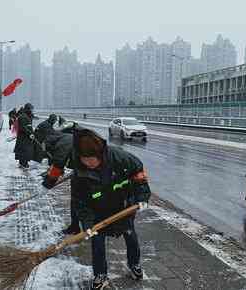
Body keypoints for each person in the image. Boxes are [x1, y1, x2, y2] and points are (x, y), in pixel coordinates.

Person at [42, 127, 151, 289]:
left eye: (92, 160)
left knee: (130, 236)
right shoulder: (79, 172)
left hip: (123, 205)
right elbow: (80, 202)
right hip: (97, 211)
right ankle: (100, 275)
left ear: (100, 154)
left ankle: (134, 265)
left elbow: (139, 177)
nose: (89, 164)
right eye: (85, 160)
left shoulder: (121, 158)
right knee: (97, 242)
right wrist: (87, 224)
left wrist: (142, 198)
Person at [14, 103, 35, 168]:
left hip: (26, 137)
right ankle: (23, 163)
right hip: (23, 137)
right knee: (24, 151)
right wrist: (30, 134)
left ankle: (24, 163)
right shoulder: (23, 117)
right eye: (31, 109)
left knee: (25, 151)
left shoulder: (27, 116)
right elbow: (23, 127)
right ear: (27, 109)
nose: (32, 110)